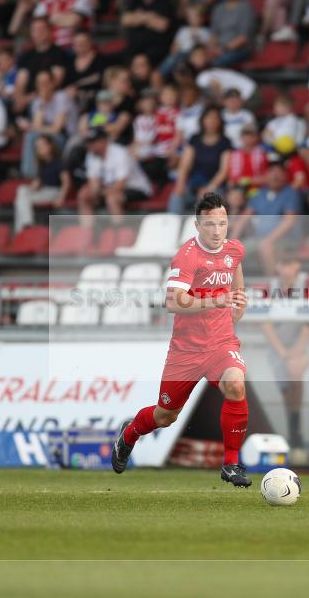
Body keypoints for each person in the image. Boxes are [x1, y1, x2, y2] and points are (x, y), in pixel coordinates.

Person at [112, 192, 252, 488]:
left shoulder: (234, 249)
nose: (217, 231)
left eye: (223, 224)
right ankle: (129, 435)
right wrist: (219, 301)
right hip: (185, 351)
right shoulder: (187, 256)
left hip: (221, 344)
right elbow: (174, 302)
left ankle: (231, 464)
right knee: (165, 416)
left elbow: (235, 267)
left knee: (236, 385)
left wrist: (239, 302)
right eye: (211, 225)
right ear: (198, 226)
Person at [260, 250, 309, 448]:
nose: (286, 268)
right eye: (283, 263)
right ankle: (292, 429)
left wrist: (298, 349)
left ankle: (296, 434)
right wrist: (282, 350)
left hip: (302, 340)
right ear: (277, 266)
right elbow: (264, 322)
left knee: (295, 375)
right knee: (285, 389)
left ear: (297, 265)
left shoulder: (307, 282)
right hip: (278, 344)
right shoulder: (270, 287)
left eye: (290, 263)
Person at [233, 160, 302, 273]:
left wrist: (269, 240)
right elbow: (243, 219)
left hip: (285, 240)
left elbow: (289, 221)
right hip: (259, 238)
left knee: (266, 247)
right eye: (272, 172)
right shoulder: (259, 194)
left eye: (279, 172)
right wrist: (232, 242)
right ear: (265, 175)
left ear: (285, 176)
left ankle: (272, 284)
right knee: (233, 251)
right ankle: (231, 287)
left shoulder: (291, 193)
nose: (275, 176)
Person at [77, 127, 152, 225]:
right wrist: (92, 192)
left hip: (136, 188)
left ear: (103, 141)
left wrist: (99, 193)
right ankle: (87, 234)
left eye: (93, 142)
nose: (90, 145)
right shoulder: (91, 155)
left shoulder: (120, 153)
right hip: (109, 189)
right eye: (89, 142)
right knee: (84, 195)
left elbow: (121, 184)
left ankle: (118, 235)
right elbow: (93, 182)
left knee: (112, 199)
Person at [170, 106, 233, 214]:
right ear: (203, 120)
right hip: (195, 184)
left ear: (220, 122)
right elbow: (184, 166)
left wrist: (209, 188)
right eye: (209, 118)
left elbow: (223, 171)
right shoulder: (195, 139)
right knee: (176, 196)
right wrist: (180, 184)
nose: (212, 121)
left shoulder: (225, 142)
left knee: (208, 200)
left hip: (215, 187)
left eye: (215, 118)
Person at [17, 70, 75, 179]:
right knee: (32, 136)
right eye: (39, 83)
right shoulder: (37, 102)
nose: (42, 87)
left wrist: (32, 127)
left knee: (31, 136)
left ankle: (30, 175)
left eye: (45, 83)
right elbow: (36, 127)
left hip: (67, 138)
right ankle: (34, 174)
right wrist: (42, 103)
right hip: (49, 136)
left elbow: (57, 129)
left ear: (53, 83)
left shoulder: (62, 97)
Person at [14, 135, 70, 232]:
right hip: (44, 191)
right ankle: (26, 225)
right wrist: (32, 187)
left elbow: (66, 182)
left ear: (50, 146)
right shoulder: (42, 164)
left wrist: (61, 197)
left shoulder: (59, 162)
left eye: (41, 146)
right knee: (21, 191)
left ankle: (23, 229)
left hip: (53, 192)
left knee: (21, 200)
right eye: (37, 147)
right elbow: (38, 182)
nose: (39, 149)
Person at [13, 18, 68, 113]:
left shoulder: (59, 54)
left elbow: (55, 82)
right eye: (34, 30)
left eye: (41, 29)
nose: (38, 33)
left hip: (48, 99)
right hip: (26, 100)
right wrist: (19, 99)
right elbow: (20, 82)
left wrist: (29, 98)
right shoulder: (26, 55)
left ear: (50, 31)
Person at [122, 0, 176, 67]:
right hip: (134, 49)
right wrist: (150, 17)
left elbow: (162, 25)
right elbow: (125, 20)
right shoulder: (136, 1)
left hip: (156, 50)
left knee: (141, 62)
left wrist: (138, 17)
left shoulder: (164, 2)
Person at [208, 0, 256, 67]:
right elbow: (214, 34)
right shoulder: (218, 8)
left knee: (216, 62)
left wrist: (223, 49)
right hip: (219, 48)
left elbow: (243, 38)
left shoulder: (246, 7)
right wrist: (211, 49)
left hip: (239, 49)